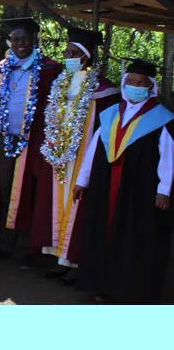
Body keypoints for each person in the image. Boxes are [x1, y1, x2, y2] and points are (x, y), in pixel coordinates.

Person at [73, 59, 173, 304]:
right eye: (131, 82)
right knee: (102, 234)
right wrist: (82, 181)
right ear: (124, 83)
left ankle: (129, 292)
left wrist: (164, 190)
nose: (135, 86)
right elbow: (93, 150)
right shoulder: (110, 115)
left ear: (151, 87)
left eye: (141, 83)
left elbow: (168, 158)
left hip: (138, 192)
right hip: (105, 187)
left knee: (133, 240)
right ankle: (102, 285)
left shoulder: (162, 119)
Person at [32, 28, 120, 282]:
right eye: (66, 52)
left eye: (74, 53)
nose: (68, 57)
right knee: (56, 201)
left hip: (84, 157)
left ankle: (75, 261)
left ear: (87, 56)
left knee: (78, 204)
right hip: (59, 154)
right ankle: (59, 257)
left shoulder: (105, 91)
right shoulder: (61, 82)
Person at [0, 17, 61, 268]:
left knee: (32, 189)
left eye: (24, 39)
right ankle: (7, 243)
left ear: (34, 41)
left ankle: (32, 246)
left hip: (34, 140)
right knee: (7, 190)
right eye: (15, 39)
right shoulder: (1, 69)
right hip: (5, 138)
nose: (20, 43)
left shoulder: (50, 69)